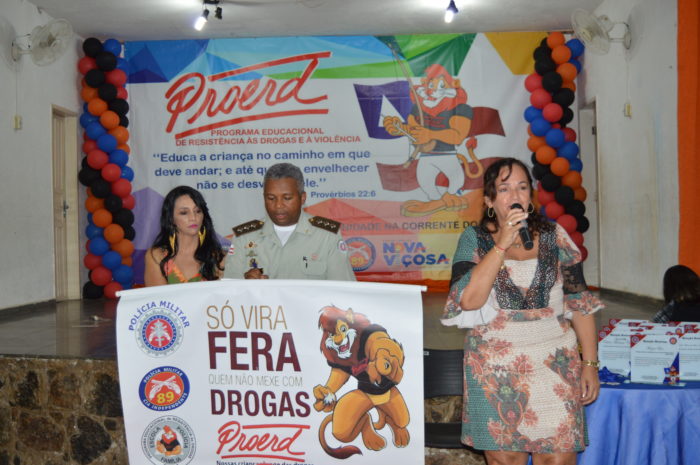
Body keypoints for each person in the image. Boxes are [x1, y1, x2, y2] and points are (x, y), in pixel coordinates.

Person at [441, 157, 603, 465]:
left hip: (555, 364)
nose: (514, 196)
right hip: (494, 369)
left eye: (522, 187)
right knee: (507, 458)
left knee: (557, 458)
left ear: (531, 195)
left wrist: (590, 364)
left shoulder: (556, 236)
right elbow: (469, 301)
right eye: (504, 189)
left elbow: (579, 302)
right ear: (489, 200)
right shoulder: (473, 239)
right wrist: (501, 245)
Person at [223, 162, 355, 281]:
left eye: (287, 198)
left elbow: (342, 291)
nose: (278, 205)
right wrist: (247, 285)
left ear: (302, 198)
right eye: (271, 198)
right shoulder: (244, 237)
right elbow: (229, 291)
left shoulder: (327, 236)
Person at [145, 186, 225, 286]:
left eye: (198, 211)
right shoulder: (157, 255)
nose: (193, 218)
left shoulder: (217, 257)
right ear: (171, 219)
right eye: (184, 213)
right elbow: (157, 295)